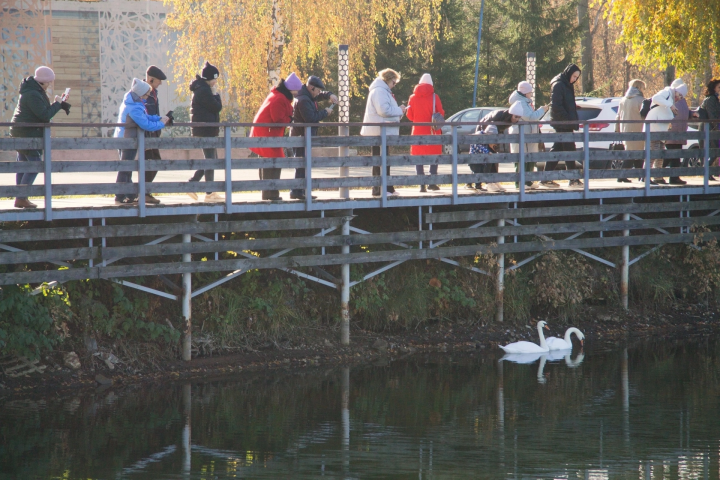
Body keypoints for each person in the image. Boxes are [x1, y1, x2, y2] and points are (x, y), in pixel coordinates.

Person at [9, 66, 70, 209]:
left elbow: (44, 112)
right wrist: (58, 104)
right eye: (48, 82)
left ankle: (21, 198)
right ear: (42, 81)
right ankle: (21, 197)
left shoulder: (34, 91)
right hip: (26, 133)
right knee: (35, 165)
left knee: (23, 165)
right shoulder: (32, 94)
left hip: (23, 131)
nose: (49, 84)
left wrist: (58, 104)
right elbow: (44, 115)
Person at [114, 78, 169, 205]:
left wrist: (160, 118)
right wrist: (161, 124)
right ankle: (119, 196)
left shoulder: (132, 102)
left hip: (124, 138)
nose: (148, 96)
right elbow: (145, 124)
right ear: (140, 94)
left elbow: (146, 117)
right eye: (146, 94)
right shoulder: (134, 107)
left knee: (127, 168)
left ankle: (129, 195)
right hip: (127, 141)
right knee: (125, 169)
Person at [249, 72, 303, 200]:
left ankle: (268, 194)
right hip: (267, 134)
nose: (297, 94)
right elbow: (278, 119)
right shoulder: (279, 99)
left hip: (265, 132)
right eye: (296, 91)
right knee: (274, 161)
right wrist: (290, 120)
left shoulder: (278, 95)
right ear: (291, 89)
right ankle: (271, 195)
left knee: (267, 162)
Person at [289, 75, 338, 200]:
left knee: (303, 164)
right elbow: (311, 119)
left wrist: (329, 95)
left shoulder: (306, 96)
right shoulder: (304, 100)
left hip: (301, 136)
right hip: (300, 137)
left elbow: (318, 96)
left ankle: (299, 191)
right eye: (318, 90)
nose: (319, 93)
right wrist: (325, 112)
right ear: (311, 88)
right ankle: (297, 191)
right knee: (301, 164)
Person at [360, 68, 406, 197]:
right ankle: (380, 189)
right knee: (380, 162)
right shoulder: (380, 91)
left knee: (383, 161)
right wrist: (398, 110)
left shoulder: (382, 91)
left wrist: (399, 112)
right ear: (388, 79)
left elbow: (387, 111)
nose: (394, 85)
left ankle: (387, 188)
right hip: (378, 132)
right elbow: (384, 111)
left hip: (381, 131)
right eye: (394, 82)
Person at [188, 61, 224, 202]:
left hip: (205, 130)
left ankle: (197, 185)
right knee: (211, 160)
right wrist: (217, 96)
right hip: (205, 130)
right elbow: (216, 107)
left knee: (211, 160)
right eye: (215, 79)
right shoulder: (204, 91)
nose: (216, 82)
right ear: (209, 78)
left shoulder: (201, 89)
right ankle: (207, 192)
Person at [468, 101, 523, 192]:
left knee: (491, 157)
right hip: (485, 130)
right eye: (515, 117)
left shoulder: (509, 120)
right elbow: (488, 128)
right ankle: (485, 182)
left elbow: (499, 131)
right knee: (483, 160)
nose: (517, 119)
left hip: (493, 134)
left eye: (519, 117)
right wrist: (489, 143)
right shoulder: (498, 116)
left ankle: (492, 180)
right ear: (511, 114)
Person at [545, 64, 582, 187]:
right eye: (574, 76)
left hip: (564, 122)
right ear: (569, 73)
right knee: (569, 149)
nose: (575, 79)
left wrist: (572, 109)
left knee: (559, 149)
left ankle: (545, 178)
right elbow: (556, 106)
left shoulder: (566, 84)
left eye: (577, 77)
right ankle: (573, 179)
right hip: (562, 123)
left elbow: (564, 103)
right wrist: (567, 119)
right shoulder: (559, 84)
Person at [406, 73, 445, 192]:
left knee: (418, 156)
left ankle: (421, 184)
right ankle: (432, 183)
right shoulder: (434, 97)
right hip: (432, 131)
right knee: (434, 155)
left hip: (417, 130)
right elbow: (441, 113)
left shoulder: (412, 97)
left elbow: (409, 115)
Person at [508, 81, 548, 189]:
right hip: (521, 134)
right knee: (521, 158)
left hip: (528, 134)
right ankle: (520, 183)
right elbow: (530, 117)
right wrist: (542, 110)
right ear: (525, 92)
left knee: (530, 158)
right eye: (530, 92)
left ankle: (528, 181)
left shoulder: (525, 102)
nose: (531, 94)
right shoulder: (520, 102)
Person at [664, 79, 697, 185]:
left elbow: (685, 112)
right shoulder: (670, 97)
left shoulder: (682, 100)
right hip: (672, 131)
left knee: (676, 156)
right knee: (669, 156)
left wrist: (692, 114)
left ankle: (674, 177)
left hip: (680, 131)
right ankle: (653, 174)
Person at [143, 65, 167, 204]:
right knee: (149, 163)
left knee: (155, 162)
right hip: (146, 134)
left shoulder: (153, 93)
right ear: (151, 79)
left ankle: (145, 192)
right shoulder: (143, 92)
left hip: (153, 133)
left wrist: (163, 119)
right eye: (158, 80)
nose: (160, 83)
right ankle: (143, 193)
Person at [615, 79, 646, 183]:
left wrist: (617, 129)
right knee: (634, 154)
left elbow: (618, 116)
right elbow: (644, 116)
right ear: (639, 88)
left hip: (625, 130)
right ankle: (622, 176)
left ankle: (641, 176)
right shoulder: (640, 100)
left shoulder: (623, 100)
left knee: (634, 153)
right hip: (638, 129)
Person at [644, 87, 675, 185]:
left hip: (661, 130)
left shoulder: (671, 99)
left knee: (660, 154)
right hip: (654, 129)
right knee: (653, 153)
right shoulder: (666, 93)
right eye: (679, 95)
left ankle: (658, 177)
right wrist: (670, 105)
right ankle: (645, 177)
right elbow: (656, 98)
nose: (679, 98)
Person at [701, 78, 720, 181]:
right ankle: (705, 171)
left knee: (714, 150)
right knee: (715, 150)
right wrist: (716, 127)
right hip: (709, 128)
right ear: (714, 88)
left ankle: (707, 172)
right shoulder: (711, 99)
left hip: (712, 127)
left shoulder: (715, 99)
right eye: (719, 87)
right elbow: (712, 116)